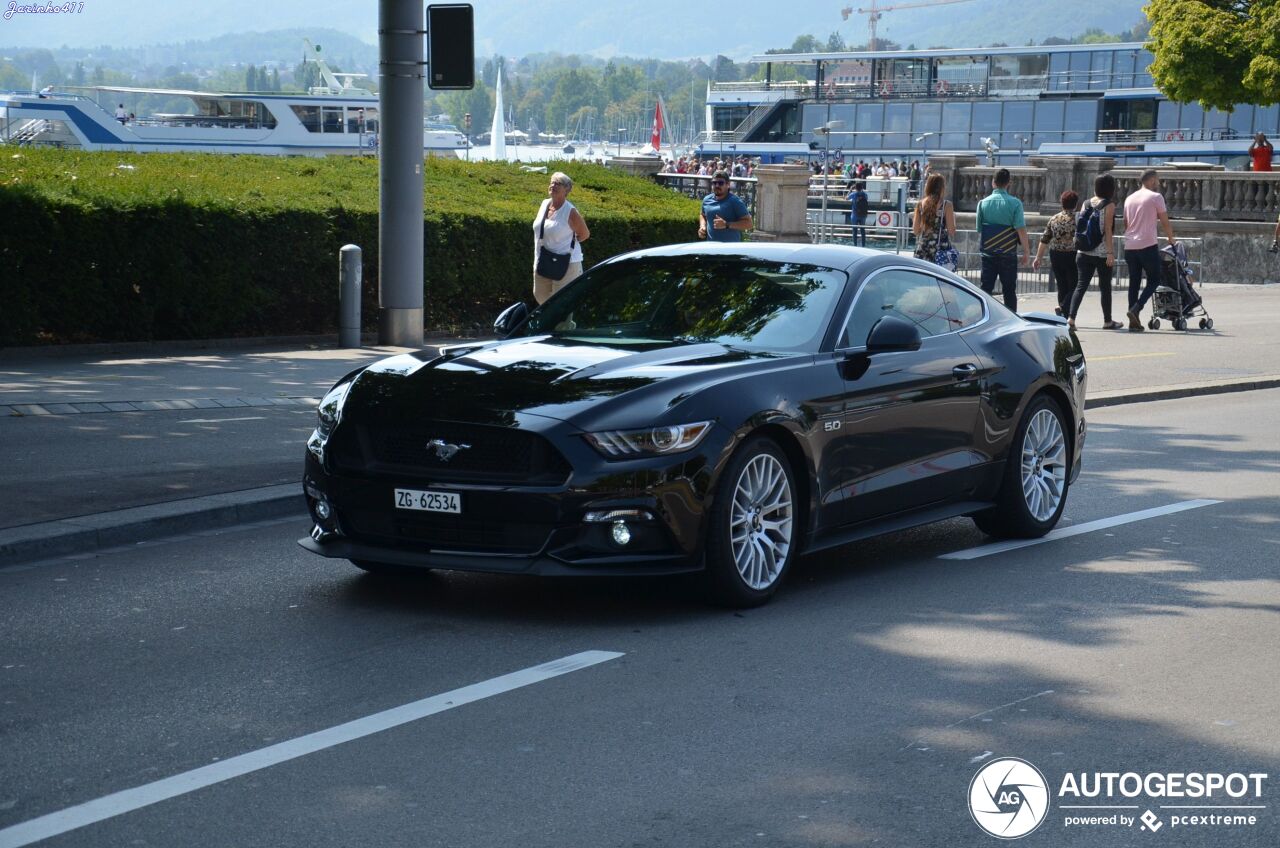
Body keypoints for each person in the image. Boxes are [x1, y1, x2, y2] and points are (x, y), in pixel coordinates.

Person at [1122, 169, 1178, 331]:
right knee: (1154, 280)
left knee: (1134, 282)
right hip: (1147, 244)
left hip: (1130, 245)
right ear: (1151, 180)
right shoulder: (1156, 197)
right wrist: (1170, 238)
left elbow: (1126, 223)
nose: (1158, 184)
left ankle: (1134, 320)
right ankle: (1137, 308)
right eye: (1157, 180)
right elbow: (1165, 221)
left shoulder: (1129, 199)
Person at [1068, 173, 1123, 330]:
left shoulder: (1086, 203)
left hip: (1083, 251)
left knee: (1081, 285)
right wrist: (1111, 253)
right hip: (1101, 253)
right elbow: (1107, 230)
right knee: (1105, 287)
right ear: (1110, 188)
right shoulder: (1109, 205)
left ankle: (1071, 319)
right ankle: (1107, 321)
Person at [975, 168, 1030, 311]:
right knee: (1009, 291)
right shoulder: (1016, 203)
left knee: (985, 289)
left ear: (993, 182)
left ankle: (984, 318)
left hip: (988, 253)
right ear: (1008, 183)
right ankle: (1012, 320)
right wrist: (1026, 251)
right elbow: (1021, 229)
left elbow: (979, 229)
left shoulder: (982, 203)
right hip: (1008, 253)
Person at [532, 172, 590, 304]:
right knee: (540, 296)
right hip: (543, 260)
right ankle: (553, 324)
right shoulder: (544, 204)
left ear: (567, 190)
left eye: (558, 183)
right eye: (552, 182)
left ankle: (565, 325)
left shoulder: (570, 211)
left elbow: (585, 234)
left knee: (562, 303)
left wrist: (568, 243)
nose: (553, 185)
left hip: (566, 263)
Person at [1032, 190, 1081, 320]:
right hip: (1072, 255)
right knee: (1076, 285)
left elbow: (1044, 239)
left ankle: (1063, 316)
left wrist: (1038, 257)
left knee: (1061, 285)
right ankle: (1063, 308)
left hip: (1055, 255)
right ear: (1076, 204)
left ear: (1062, 203)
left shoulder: (1054, 218)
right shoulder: (1078, 219)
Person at [912, 173, 957, 270]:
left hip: (922, 248)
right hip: (940, 249)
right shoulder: (946, 205)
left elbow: (915, 230)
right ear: (942, 188)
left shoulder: (920, 204)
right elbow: (951, 231)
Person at [698, 170, 753, 242]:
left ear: (728, 185)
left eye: (720, 183)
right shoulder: (706, 199)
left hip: (730, 250)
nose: (717, 185)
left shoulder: (735, 201)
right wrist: (702, 226)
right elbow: (702, 215)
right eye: (714, 183)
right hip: (711, 248)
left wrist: (727, 224)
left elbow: (749, 224)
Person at [846, 180, 869, 247]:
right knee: (863, 231)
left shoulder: (853, 194)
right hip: (863, 215)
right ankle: (863, 245)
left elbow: (846, 198)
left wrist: (850, 190)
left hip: (855, 214)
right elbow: (867, 199)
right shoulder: (864, 194)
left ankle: (855, 245)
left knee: (854, 231)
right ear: (862, 188)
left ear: (855, 188)